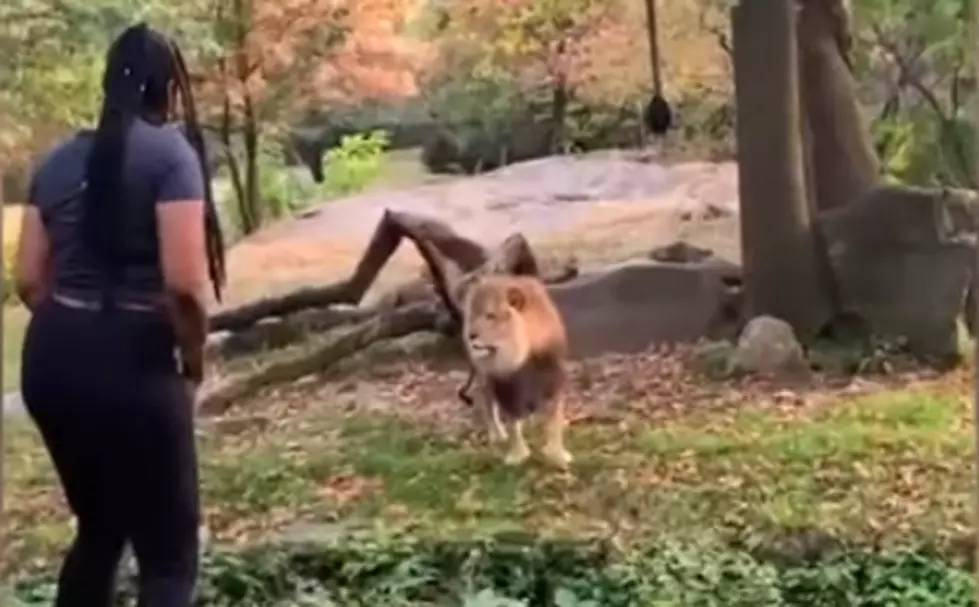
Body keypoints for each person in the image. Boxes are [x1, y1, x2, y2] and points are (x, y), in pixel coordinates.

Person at [13, 22, 226, 606]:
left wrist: (76, 328)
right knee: (168, 554)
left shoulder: (56, 160)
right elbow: (185, 285)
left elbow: (29, 278)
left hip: (51, 360)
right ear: (168, 91)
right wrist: (193, 361)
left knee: (101, 529)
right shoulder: (170, 155)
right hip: (133, 361)